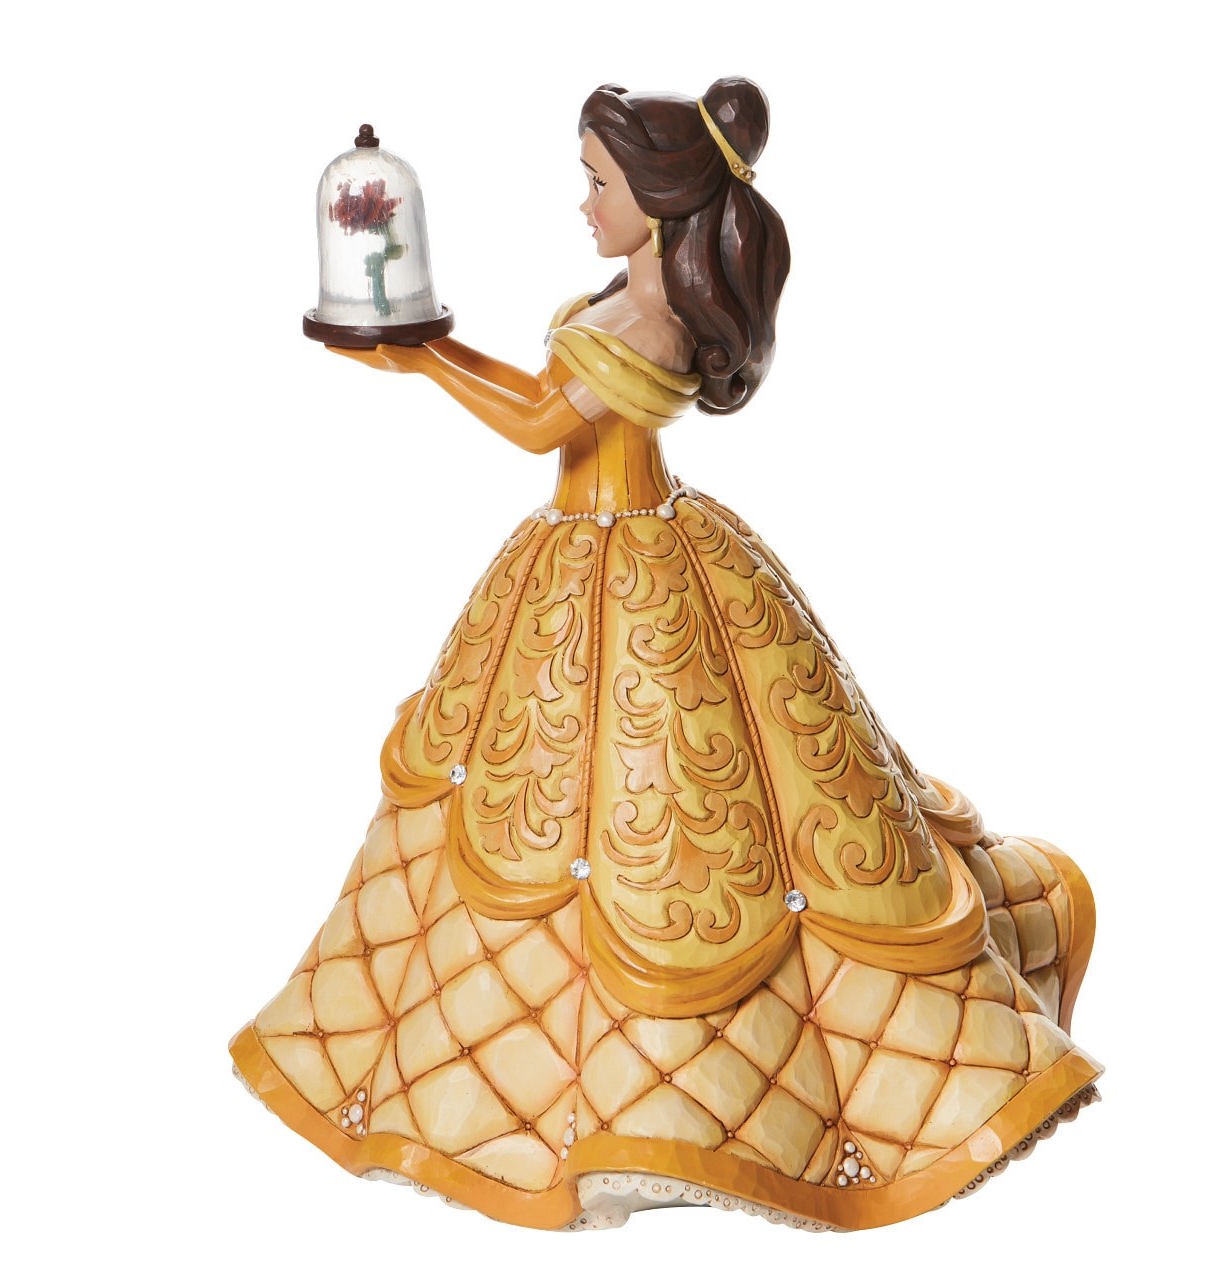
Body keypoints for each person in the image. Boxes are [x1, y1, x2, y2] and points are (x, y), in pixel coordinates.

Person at [228, 77, 1101, 1233]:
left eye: (597, 182)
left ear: (657, 197)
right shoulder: (620, 298)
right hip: (573, 554)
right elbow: (541, 398)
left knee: (672, 806)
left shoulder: (650, 324)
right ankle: (533, 1056)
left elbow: (540, 423)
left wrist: (423, 353)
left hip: (632, 555)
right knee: (528, 791)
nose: (582, 203)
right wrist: (420, 349)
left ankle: (689, 1084)